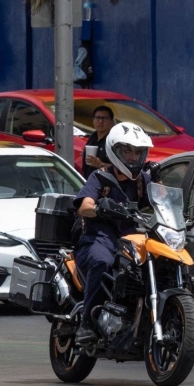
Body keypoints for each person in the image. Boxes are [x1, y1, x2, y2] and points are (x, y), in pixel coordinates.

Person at [72, 122, 154, 346]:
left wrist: (160, 183)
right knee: (102, 261)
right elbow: (84, 206)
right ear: (115, 151)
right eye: (128, 151)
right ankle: (86, 323)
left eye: (138, 152)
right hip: (101, 236)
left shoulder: (143, 180)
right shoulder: (100, 177)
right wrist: (99, 208)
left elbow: (163, 202)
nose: (133, 157)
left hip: (133, 239)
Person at [81, 105, 115, 176]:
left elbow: (121, 169)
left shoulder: (114, 141)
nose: (100, 121)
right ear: (93, 120)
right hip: (89, 180)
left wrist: (100, 164)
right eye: (97, 118)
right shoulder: (92, 137)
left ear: (111, 121)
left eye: (104, 118)